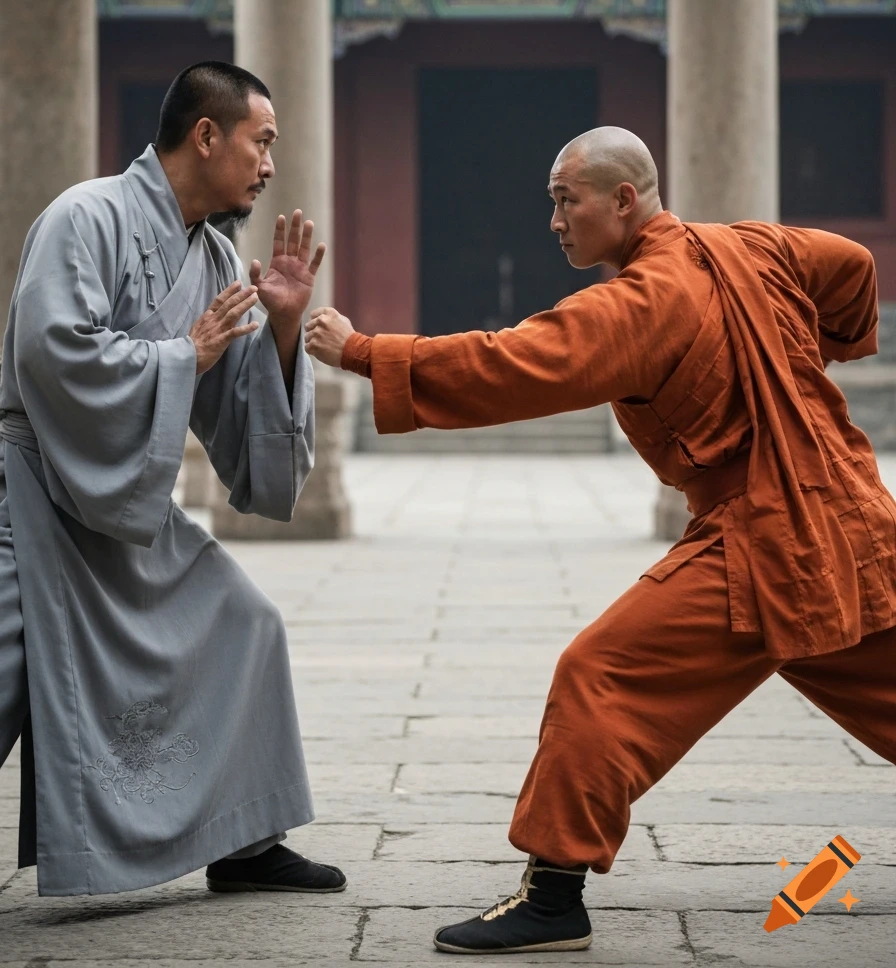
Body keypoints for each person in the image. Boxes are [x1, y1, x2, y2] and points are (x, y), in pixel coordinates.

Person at [305, 126, 896, 955]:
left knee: (601, 673)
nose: (553, 220)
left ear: (624, 200)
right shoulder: (755, 247)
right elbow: (853, 266)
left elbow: (512, 363)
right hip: (860, 519)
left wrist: (365, 352)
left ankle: (552, 898)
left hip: (765, 537)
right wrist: (820, 352)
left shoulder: (645, 303)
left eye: (564, 200)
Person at [0, 61, 346, 899]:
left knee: (243, 621)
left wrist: (285, 331)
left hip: (125, 499)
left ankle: (246, 840)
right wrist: (177, 356)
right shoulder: (85, 216)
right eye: (260, 143)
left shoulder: (217, 256)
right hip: (40, 487)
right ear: (205, 136)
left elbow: (238, 418)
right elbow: (51, 349)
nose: (269, 166)